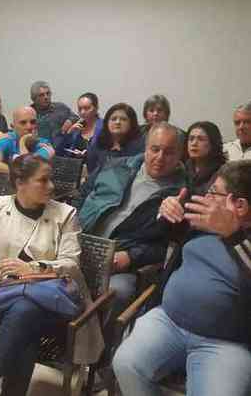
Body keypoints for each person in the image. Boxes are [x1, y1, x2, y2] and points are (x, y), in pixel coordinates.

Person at [113, 160, 251, 396]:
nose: (206, 197)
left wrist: (233, 236)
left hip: (226, 342)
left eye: (214, 193)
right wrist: (166, 212)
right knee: (126, 364)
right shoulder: (202, 222)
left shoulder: (233, 234)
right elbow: (158, 234)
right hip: (168, 320)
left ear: (239, 205)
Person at [0, 154, 103, 396]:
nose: (51, 186)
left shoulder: (65, 214)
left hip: (56, 303)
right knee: (24, 317)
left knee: (24, 313)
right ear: (20, 183)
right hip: (7, 296)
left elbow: (70, 264)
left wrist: (33, 268)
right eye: (43, 180)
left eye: (50, 179)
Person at [76, 123, 186, 375]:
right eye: (154, 149)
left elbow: (170, 250)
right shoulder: (117, 165)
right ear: (145, 148)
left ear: (180, 155)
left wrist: (132, 256)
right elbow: (83, 195)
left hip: (121, 260)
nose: (159, 157)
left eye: (168, 152)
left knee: (118, 291)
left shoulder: (181, 194)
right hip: (82, 244)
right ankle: (64, 342)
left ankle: (98, 359)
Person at [0, 106, 55, 175]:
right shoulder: (6, 140)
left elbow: (27, 168)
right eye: (23, 123)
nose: (29, 127)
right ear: (13, 126)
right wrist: (18, 171)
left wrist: (22, 142)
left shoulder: (45, 145)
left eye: (33, 122)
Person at [86, 102, 144, 175]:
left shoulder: (140, 147)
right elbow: (91, 172)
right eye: (113, 119)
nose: (118, 122)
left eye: (123, 119)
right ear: (107, 122)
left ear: (131, 123)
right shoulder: (97, 145)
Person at [54, 92, 103, 159]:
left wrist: (89, 154)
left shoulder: (104, 127)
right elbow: (58, 152)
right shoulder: (76, 129)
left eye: (87, 108)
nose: (82, 112)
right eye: (80, 109)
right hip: (76, 167)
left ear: (96, 108)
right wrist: (68, 133)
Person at [182, 121, 226, 195]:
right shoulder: (182, 169)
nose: (194, 143)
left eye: (201, 139)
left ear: (213, 143)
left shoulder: (223, 172)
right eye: (191, 139)